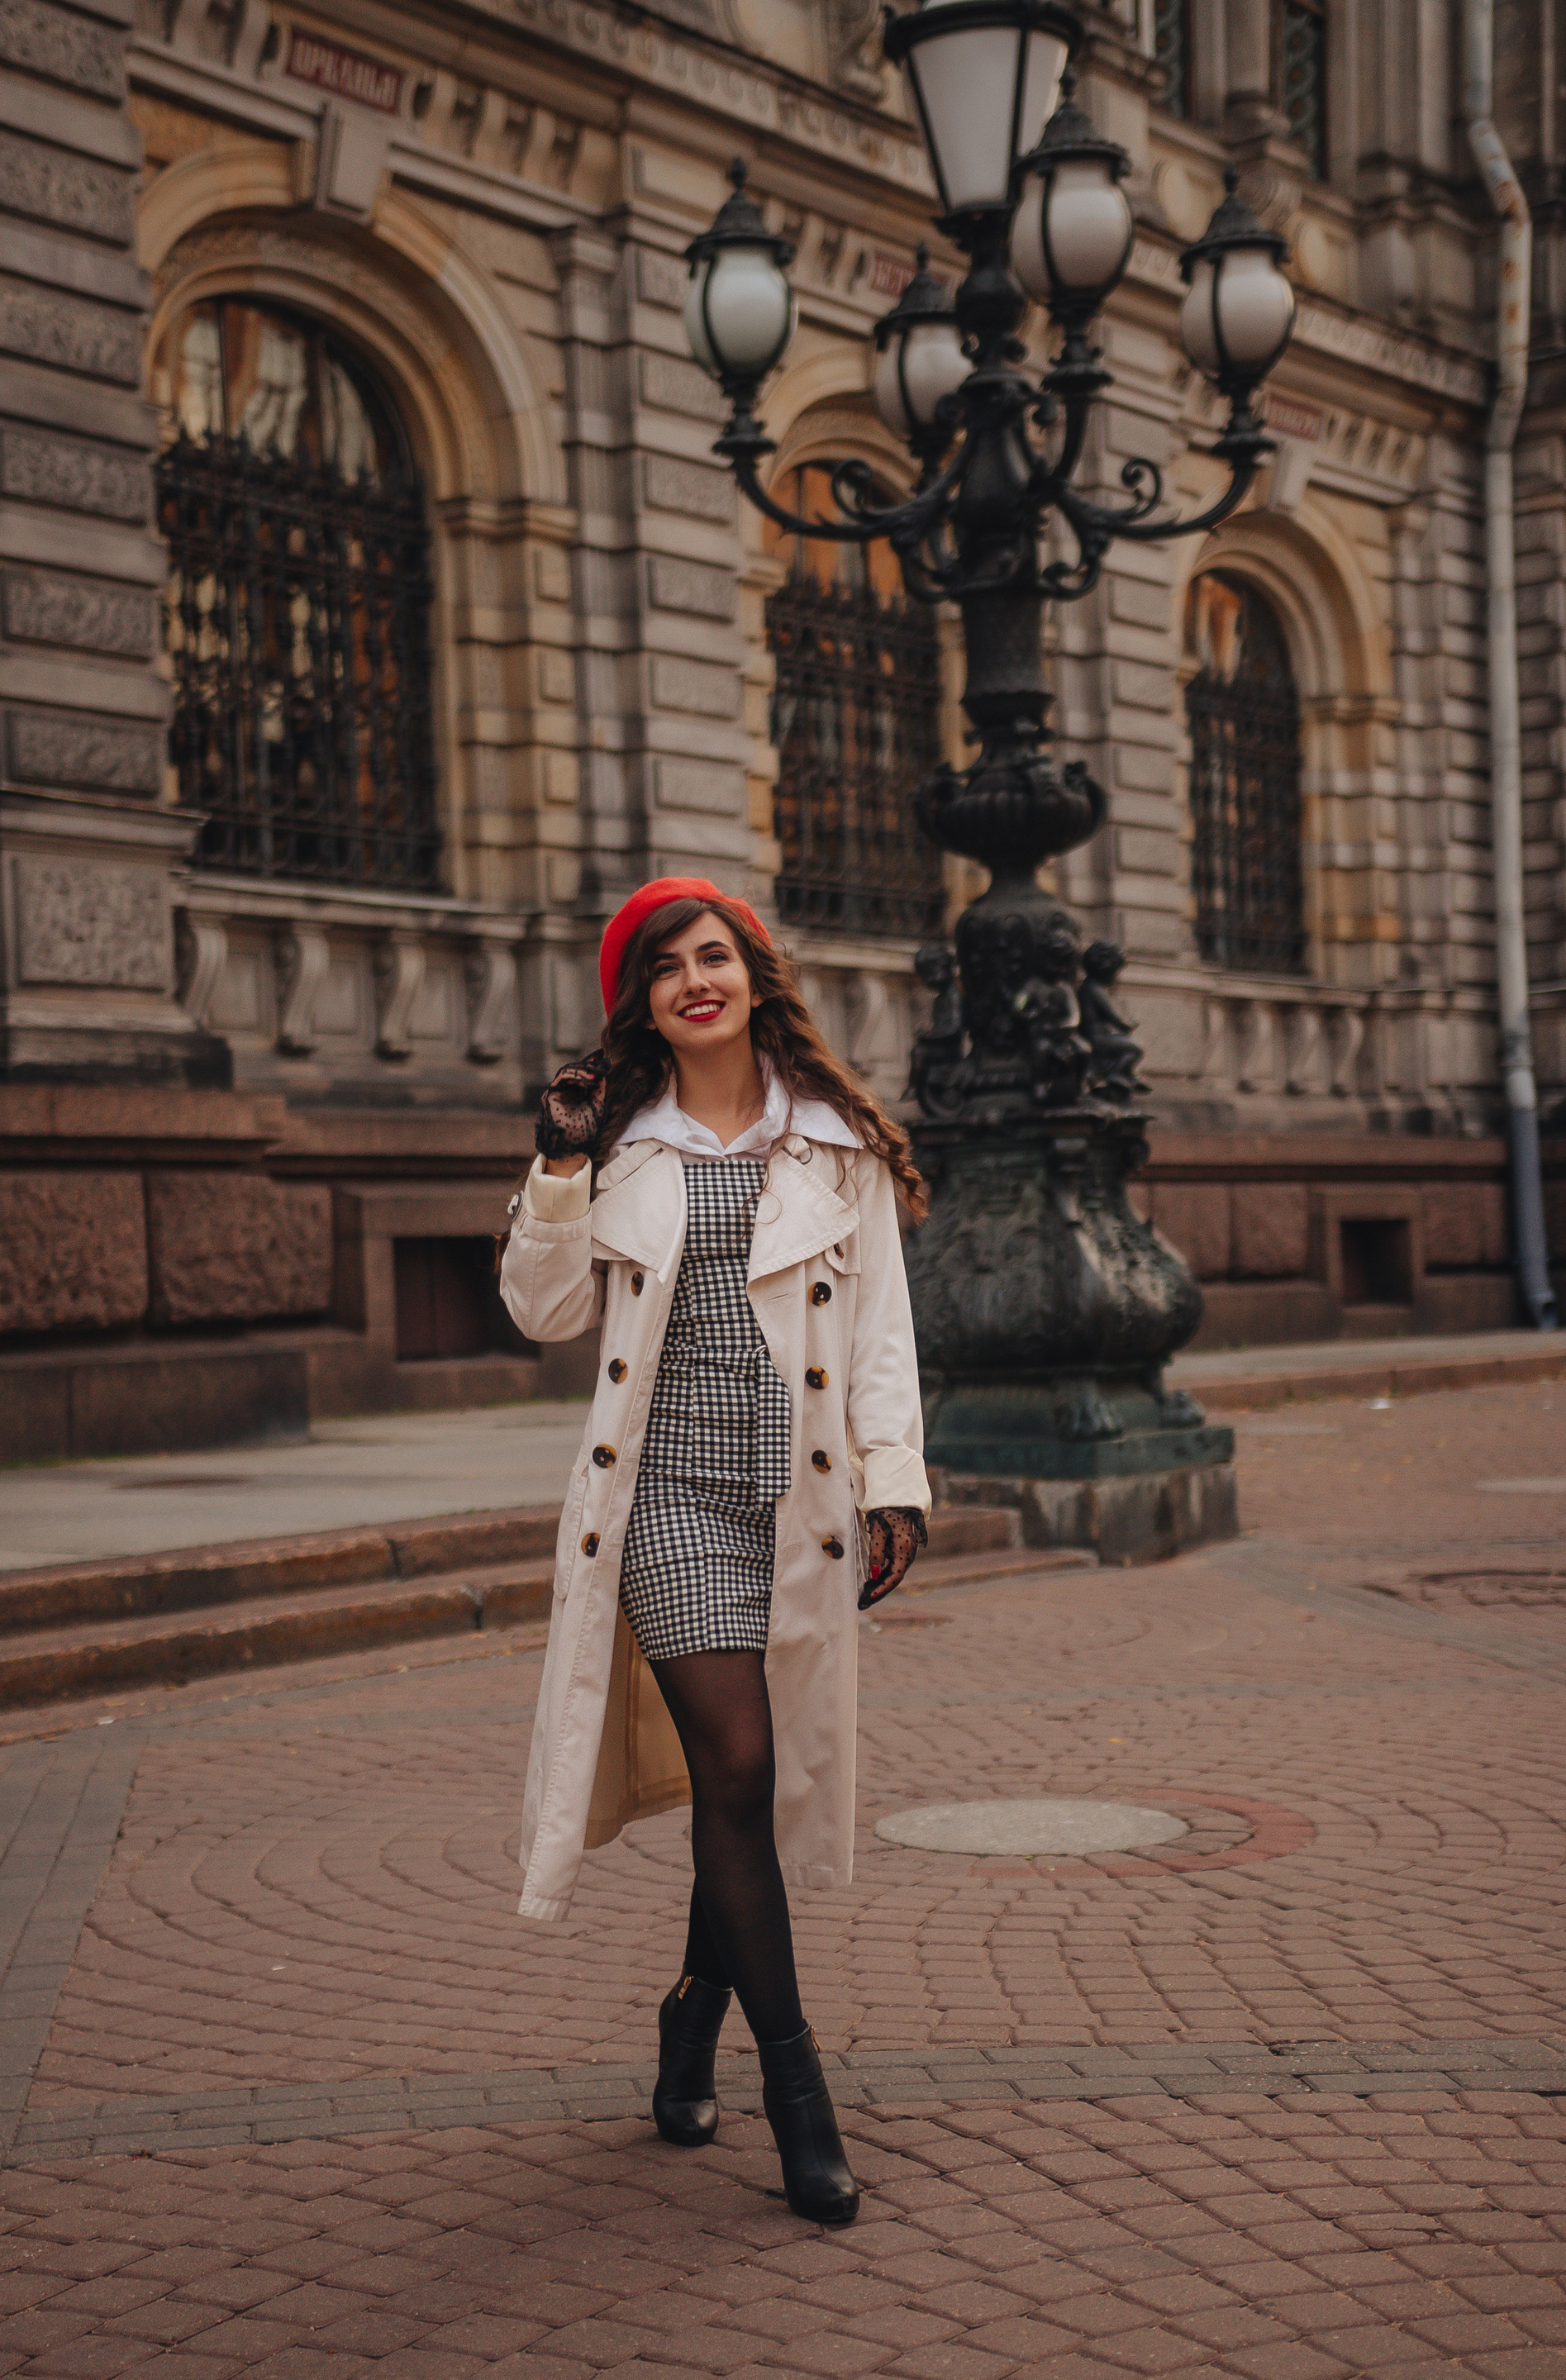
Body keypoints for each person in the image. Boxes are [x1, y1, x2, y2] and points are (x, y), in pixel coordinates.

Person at [498, 876, 931, 2225]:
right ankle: (799, 2097)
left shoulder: (837, 1147)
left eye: (714, 957)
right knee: (740, 1766)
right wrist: (558, 1168)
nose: (696, 980)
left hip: (794, 1505)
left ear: (754, 977)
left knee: (742, 1793)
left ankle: (692, 2015)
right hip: (667, 1503)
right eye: (668, 968)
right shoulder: (622, 1150)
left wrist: (895, 1487)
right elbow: (542, 1313)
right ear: (645, 1004)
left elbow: (880, 1335)